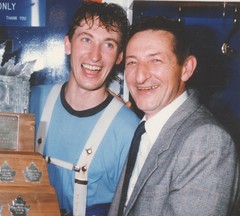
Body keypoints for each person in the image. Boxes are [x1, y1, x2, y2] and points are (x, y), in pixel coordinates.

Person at [108, 16, 240, 216]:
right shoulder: (144, 126)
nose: (140, 76)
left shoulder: (207, 142)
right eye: (132, 62)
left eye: (156, 60)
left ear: (186, 69)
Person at [29, 1, 140, 216]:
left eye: (108, 44)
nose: (95, 55)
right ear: (68, 44)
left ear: (119, 56)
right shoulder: (32, 100)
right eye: (86, 39)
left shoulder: (130, 130)